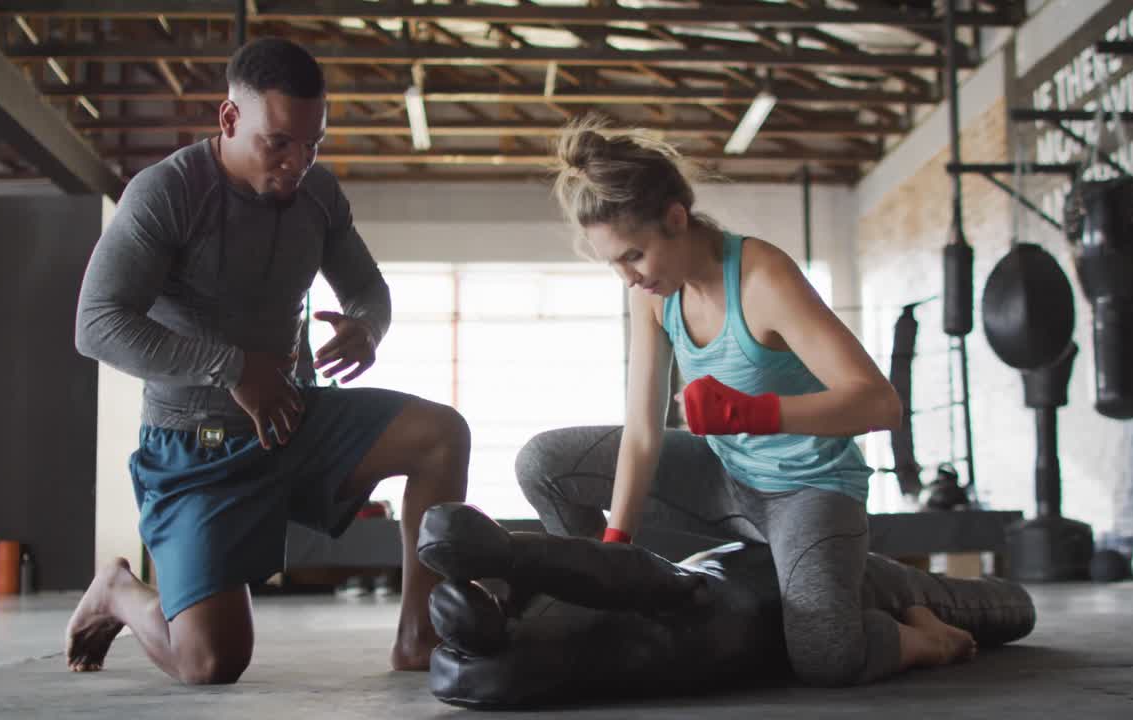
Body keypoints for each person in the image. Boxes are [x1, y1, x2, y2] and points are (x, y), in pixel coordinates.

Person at [516, 116, 977, 687]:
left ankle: (927, 636)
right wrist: (616, 550)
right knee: (544, 463)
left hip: (806, 488)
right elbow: (641, 432)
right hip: (723, 477)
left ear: (676, 219)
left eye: (633, 255)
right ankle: (593, 604)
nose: (627, 277)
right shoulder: (654, 294)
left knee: (827, 655)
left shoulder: (762, 277)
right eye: (613, 262)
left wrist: (753, 413)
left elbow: (881, 405)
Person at [66, 37, 468, 684]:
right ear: (230, 120)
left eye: (313, 143)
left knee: (441, 437)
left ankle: (419, 635)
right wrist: (233, 368)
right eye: (278, 142)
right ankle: (118, 590)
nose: (297, 162)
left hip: (290, 419)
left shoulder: (318, 195)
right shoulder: (167, 193)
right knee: (210, 662)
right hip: (195, 448)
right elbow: (96, 324)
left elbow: (368, 291)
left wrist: (367, 328)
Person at [414, 502, 1036, 708]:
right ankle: (923, 637)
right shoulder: (670, 622)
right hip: (768, 588)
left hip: (833, 577)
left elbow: (624, 575)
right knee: (804, 638)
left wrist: (510, 552)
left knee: (986, 606)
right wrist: (508, 564)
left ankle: (931, 638)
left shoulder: (670, 599)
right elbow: (620, 578)